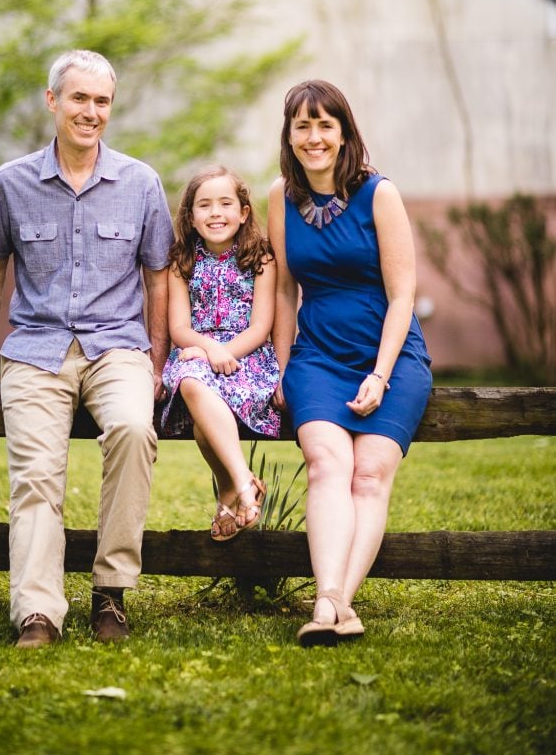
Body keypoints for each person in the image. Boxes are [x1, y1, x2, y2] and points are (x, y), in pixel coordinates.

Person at [0, 49, 174, 649]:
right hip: (35, 350)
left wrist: (156, 364)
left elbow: (159, 276)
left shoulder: (140, 182)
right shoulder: (12, 182)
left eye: (101, 101)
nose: (91, 111)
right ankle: (38, 612)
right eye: (79, 98)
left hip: (118, 348)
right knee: (35, 475)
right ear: (52, 101)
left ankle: (111, 592)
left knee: (134, 428)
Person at [268, 80, 432, 646]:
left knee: (369, 474)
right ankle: (335, 604)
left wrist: (381, 374)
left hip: (390, 354)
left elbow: (403, 294)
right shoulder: (280, 197)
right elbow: (285, 293)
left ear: (343, 133)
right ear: (289, 136)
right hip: (316, 357)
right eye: (302, 126)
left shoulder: (379, 193)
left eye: (325, 125)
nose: (314, 137)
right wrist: (285, 368)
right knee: (326, 466)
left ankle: (333, 601)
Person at [161, 166, 280, 541]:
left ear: (244, 212)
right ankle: (245, 483)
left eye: (226, 203)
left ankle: (230, 488)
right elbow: (179, 328)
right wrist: (210, 350)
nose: (216, 213)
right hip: (197, 353)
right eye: (205, 205)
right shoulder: (181, 261)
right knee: (192, 382)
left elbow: (261, 328)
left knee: (201, 425)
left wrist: (225, 353)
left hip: (248, 358)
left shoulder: (261, 257)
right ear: (191, 218)